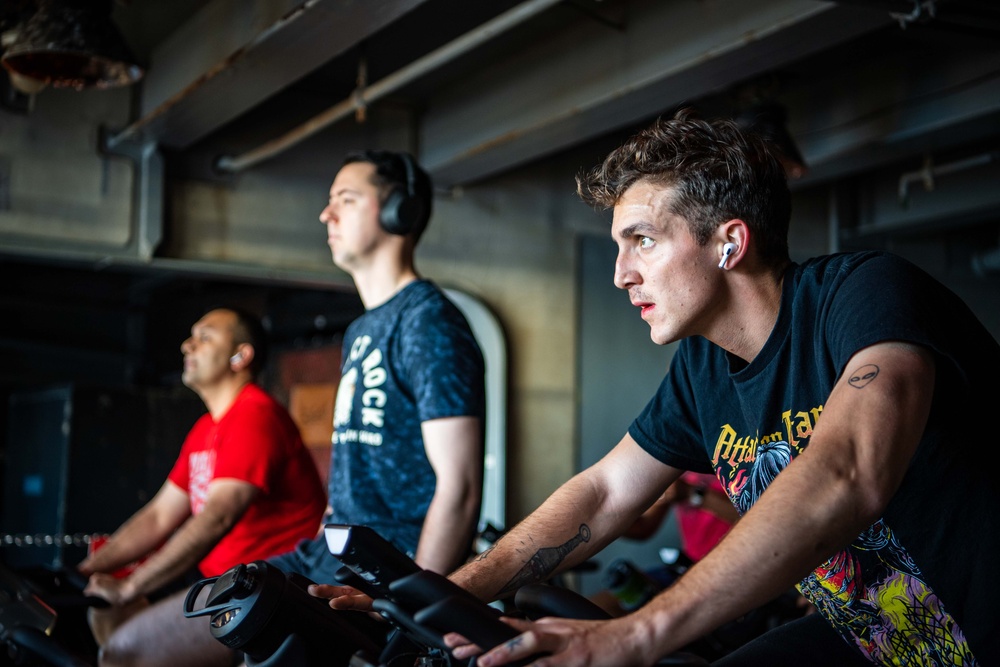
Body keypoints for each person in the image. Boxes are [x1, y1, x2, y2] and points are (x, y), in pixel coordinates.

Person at [318, 110, 999, 666]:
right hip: (883, 635)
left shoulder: (865, 296)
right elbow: (606, 492)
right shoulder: (704, 369)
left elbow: (847, 470)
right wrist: (444, 590)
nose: (621, 274)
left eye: (641, 240)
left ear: (729, 243)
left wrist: (637, 632)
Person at [79, 307, 328, 666]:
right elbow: (160, 515)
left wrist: (132, 585)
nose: (187, 346)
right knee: (107, 614)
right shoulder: (206, 428)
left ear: (240, 356)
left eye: (204, 337)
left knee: (124, 653)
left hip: (270, 592)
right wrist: (88, 570)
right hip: (228, 585)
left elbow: (217, 517)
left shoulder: (255, 416)